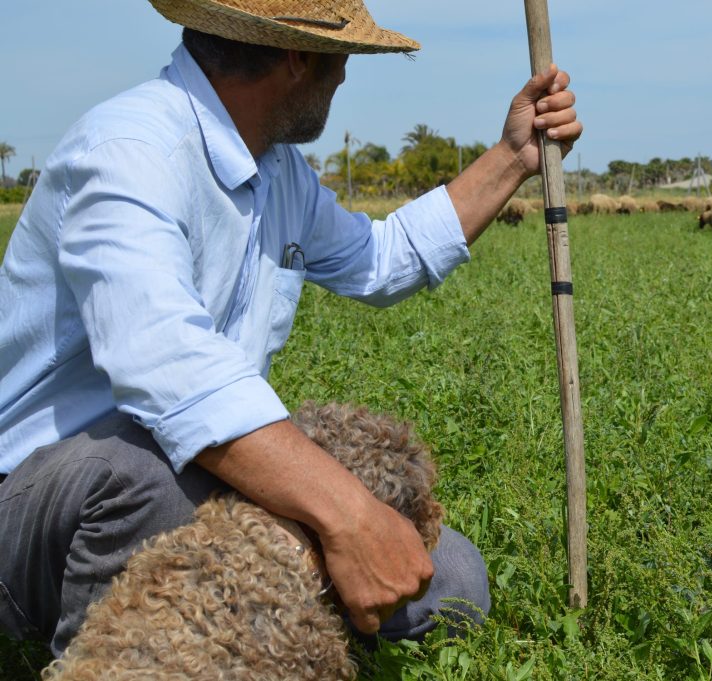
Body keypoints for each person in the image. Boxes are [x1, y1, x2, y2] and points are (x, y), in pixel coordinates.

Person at [0, 0, 582, 656]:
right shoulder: (129, 151)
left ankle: (264, 639)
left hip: (202, 469)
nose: (344, 80)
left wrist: (512, 155)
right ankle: (118, 661)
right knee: (150, 469)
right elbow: (168, 369)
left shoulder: (277, 173)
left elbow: (382, 258)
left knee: (450, 578)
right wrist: (348, 516)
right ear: (298, 59)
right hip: (41, 503)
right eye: (341, 60)